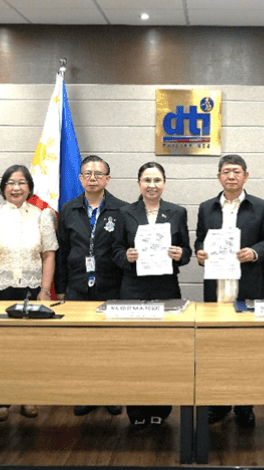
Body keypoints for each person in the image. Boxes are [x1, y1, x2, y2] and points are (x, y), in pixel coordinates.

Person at [195, 154, 264, 428]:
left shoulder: (261, 207)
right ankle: (218, 404)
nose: (231, 176)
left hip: (247, 287)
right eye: (226, 172)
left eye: (236, 172)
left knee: (245, 349)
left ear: (246, 176)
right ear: (219, 176)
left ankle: (244, 405)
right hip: (216, 288)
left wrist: (254, 252)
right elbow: (199, 241)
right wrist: (200, 254)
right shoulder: (206, 208)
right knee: (214, 350)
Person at [0, 164, 58, 421]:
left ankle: (29, 396)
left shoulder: (42, 215)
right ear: (3, 188)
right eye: (10, 182)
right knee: (0, 348)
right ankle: (1, 401)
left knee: (31, 348)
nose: (16, 187)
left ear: (29, 187)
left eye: (21, 182)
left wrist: (45, 290)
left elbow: (49, 254)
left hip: (32, 290)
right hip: (0, 291)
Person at [113, 161, 191, 426]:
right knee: (133, 351)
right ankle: (135, 412)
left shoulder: (177, 212)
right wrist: (126, 256)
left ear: (164, 183)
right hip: (133, 287)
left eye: (157, 180)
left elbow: (187, 252)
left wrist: (181, 255)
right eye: (147, 180)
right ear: (139, 184)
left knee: (164, 351)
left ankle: (161, 409)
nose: (152, 185)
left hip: (165, 288)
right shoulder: (125, 212)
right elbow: (115, 251)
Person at [55, 154, 127, 418]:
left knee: (111, 344)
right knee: (81, 343)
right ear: (80, 178)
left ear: (108, 178)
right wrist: (61, 288)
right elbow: (62, 253)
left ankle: (111, 394)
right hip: (77, 287)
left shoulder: (122, 210)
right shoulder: (68, 210)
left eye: (98, 174)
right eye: (87, 174)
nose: (93, 178)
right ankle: (85, 394)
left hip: (111, 286)